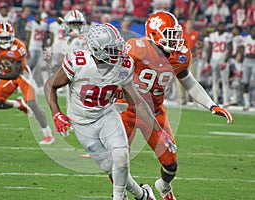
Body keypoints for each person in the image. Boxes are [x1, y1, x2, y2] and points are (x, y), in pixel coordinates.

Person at [44, 23, 176, 200]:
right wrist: (57, 114)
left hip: (106, 114)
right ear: (97, 50)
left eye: (118, 48)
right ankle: (143, 195)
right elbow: (50, 86)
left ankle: (118, 197)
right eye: (112, 49)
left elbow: (136, 102)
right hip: (82, 122)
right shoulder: (78, 62)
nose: (119, 53)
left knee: (121, 157)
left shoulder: (123, 66)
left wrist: (160, 131)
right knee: (109, 167)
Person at [120, 11, 233, 200]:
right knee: (118, 162)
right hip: (126, 110)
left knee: (170, 163)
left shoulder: (179, 55)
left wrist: (212, 105)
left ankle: (163, 186)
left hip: (155, 112)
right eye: (169, 34)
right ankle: (138, 195)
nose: (176, 40)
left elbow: (188, 80)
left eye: (175, 34)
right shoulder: (135, 48)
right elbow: (117, 76)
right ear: (155, 35)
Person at [0, 22, 54, 145]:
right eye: (2, 38)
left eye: (8, 38)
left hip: (22, 75)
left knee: (32, 103)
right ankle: (18, 104)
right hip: (6, 74)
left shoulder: (18, 47)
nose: (5, 41)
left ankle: (48, 135)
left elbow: (15, 74)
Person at [206, 22, 232, 106]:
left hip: (223, 59)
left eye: (222, 26)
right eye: (219, 25)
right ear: (217, 27)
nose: (221, 27)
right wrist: (208, 61)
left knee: (225, 81)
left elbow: (229, 49)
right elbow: (210, 48)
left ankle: (225, 101)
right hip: (214, 59)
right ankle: (215, 100)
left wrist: (225, 61)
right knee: (215, 81)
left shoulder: (227, 36)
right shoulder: (213, 35)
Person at [239, 25, 255, 111]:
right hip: (247, 60)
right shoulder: (245, 38)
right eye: (253, 30)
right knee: (245, 82)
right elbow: (241, 48)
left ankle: (252, 101)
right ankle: (247, 103)